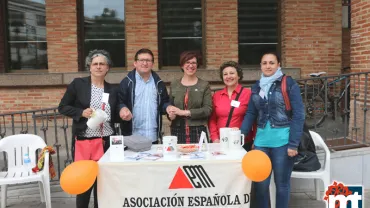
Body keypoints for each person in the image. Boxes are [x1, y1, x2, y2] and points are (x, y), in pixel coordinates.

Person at [240, 52, 305, 208]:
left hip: (283, 142)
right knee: (260, 185)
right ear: (260, 66)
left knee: (281, 184)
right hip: (261, 142)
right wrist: (241, 133)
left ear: (278, 65)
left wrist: (293, 144)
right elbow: (251, 113)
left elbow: (299, 114)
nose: (268, 66)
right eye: (264, 63)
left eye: (271, 63)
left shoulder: (288, 83)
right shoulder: (256, 86)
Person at [58, 49, 118, 208]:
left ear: (107, 68)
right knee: (83, 182)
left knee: (103, 184)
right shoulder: (78, 84)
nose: (98, 67)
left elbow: (117, 112)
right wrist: (81, 112)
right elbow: (62, 107)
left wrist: (123, 112)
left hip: (106, 142)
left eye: (102, 64)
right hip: (84, 142)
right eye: (95, 64)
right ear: (89, 67)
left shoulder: (113, 89)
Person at [118, 48, 172, 144]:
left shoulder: (158, 83)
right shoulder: (126, 82)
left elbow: (164, 103)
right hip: (132, 135)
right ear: (135, 63)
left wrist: (168, 108)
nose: (145, 63)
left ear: (152, 64)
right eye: (141, 60)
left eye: (148, 60)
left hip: (153, 135)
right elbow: (119, 102)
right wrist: (122, 108)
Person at [208, 61, 256, 149]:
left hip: (242, 142)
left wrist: (256, 140)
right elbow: (212, 119)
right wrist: (214, 138)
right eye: (225, 74)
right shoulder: (216, 95)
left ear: (238, 76)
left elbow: (254, 119)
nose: (228, 76)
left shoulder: (248, 94)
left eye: (232, 73)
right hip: (220, 142)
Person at [167, 51, 212, 144]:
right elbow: (170, 105)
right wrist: (170, 115)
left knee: (200, 157)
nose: (190, 65)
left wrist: (184, 112)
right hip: (177, 130)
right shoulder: (174, 84)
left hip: (198, 130)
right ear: (182, 65)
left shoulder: (204, 85)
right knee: (179, 157)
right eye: (187, 62)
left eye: (193, 63)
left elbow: (208, 109)